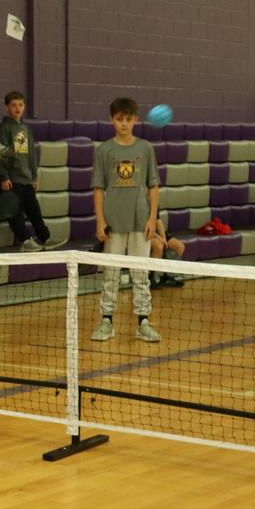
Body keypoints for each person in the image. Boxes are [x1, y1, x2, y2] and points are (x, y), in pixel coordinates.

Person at [90, 97, 162, 343]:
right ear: (112, 119)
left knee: (140, 274)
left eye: (128, 120)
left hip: (140, 220)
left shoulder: (145, 149)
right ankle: (106, 320)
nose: (123, 124)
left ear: (136, 120)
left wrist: (152, 218)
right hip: (113, 221)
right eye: (119, 119)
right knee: (111, 273)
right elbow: (98, 188)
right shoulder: (104, 151)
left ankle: (143, 321)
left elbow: (153, 185)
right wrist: (100, 221)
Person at [0, 90, 50, 252]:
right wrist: (4, 177)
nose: (17, 108)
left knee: (34, 210)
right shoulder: (3, 129)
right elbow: (0, 154)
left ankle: (45, 237)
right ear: (7, 107)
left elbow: (31, 154)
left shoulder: (26, 129)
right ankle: (25, 240)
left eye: (20, 105)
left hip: (26, 179)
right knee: (15, 212)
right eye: (13, 105)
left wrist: (34, 176)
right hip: (12, 179)